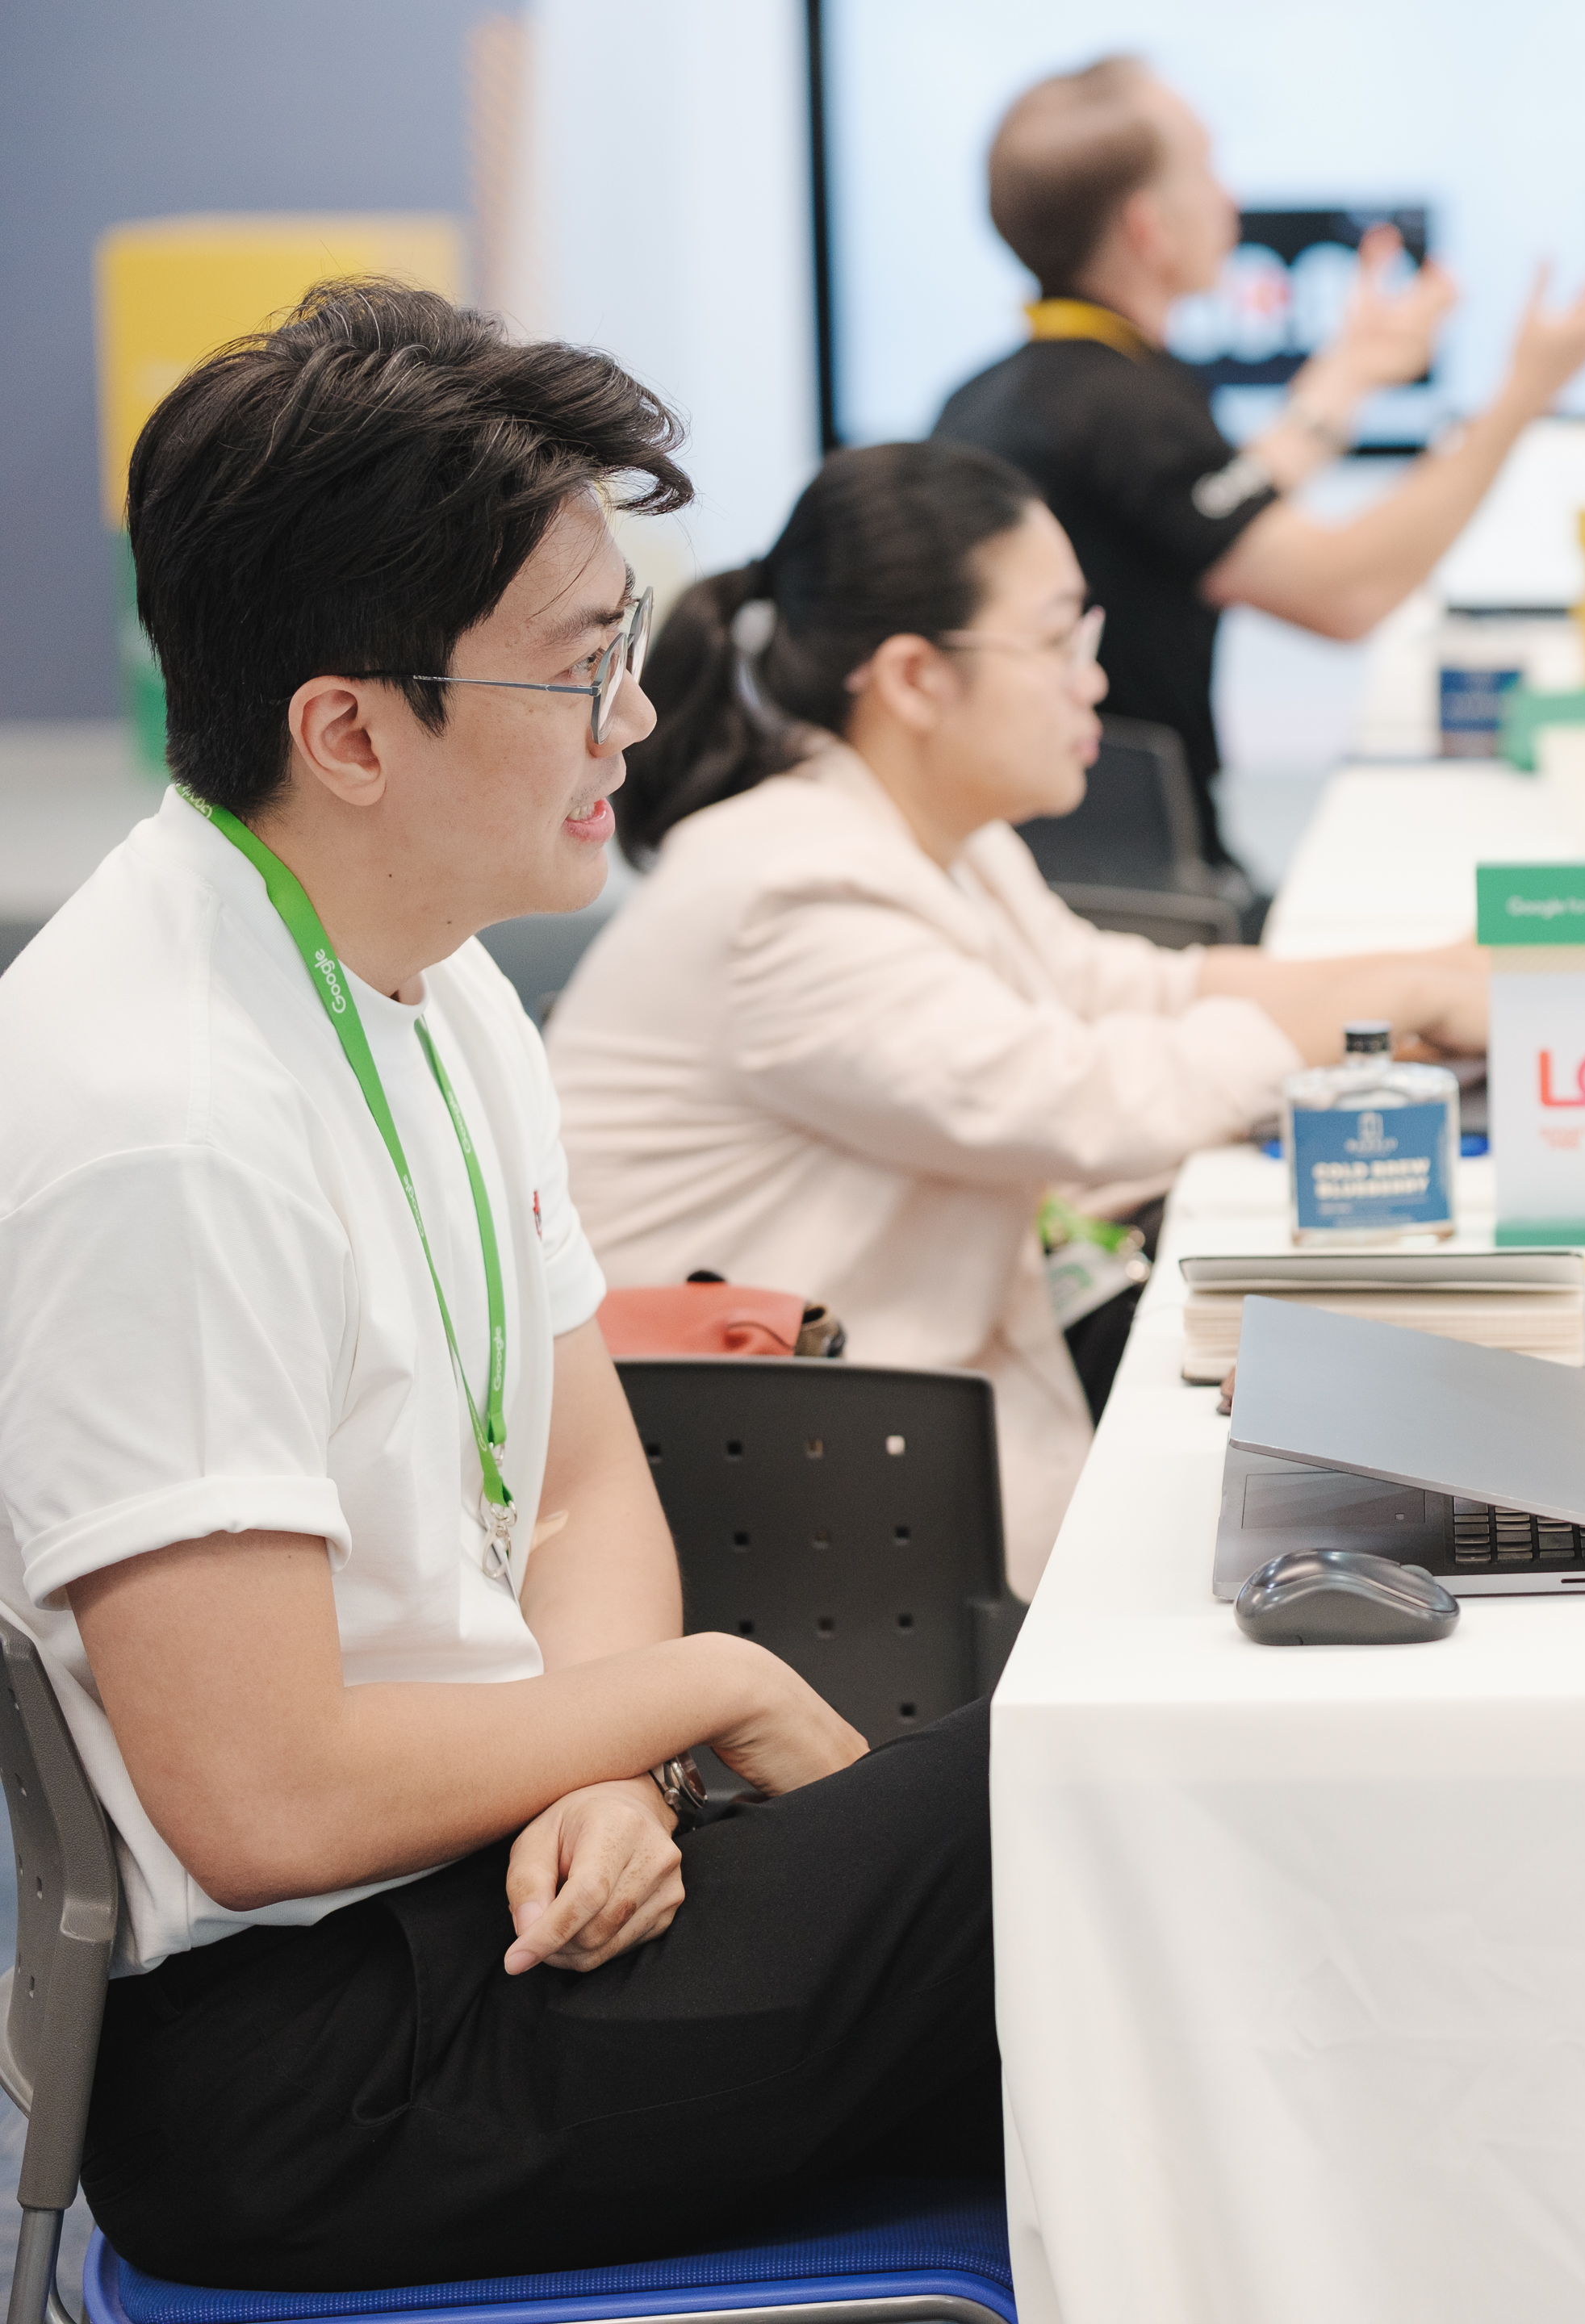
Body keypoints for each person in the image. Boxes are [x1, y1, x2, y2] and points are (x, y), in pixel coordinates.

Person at [0, 280, 990, 2290]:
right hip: (319, 2062)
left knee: (1106, 1808)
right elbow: (262, 1794)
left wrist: (611, 1756)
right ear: (350, 727)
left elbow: (588, 1490)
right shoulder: (162, 1113)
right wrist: (697, 1693)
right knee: (1091, 1804)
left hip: (508, 1892)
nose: (632, 716)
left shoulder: (433, 972)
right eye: (577, 667)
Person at [547, 441, 1484, 1598]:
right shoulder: (790, 894)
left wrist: (1432, 973)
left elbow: (1130, 993)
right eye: (1058, 643)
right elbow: (1081, 1099)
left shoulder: (933, 839)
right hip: (800, 1505)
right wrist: (1404, 999)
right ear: (914, 678)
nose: (1093, 679)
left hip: (883, 1423)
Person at [935, 54, 1585, 904]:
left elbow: (1222, 498)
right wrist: (1521, 400)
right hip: (1135, 892)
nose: (1230, 200)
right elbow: (1346, 591)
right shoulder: (1121, 411)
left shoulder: (1028, 390)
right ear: (1150, 228)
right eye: (1208, 172)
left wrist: (1352, 371)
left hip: (1072, 865)